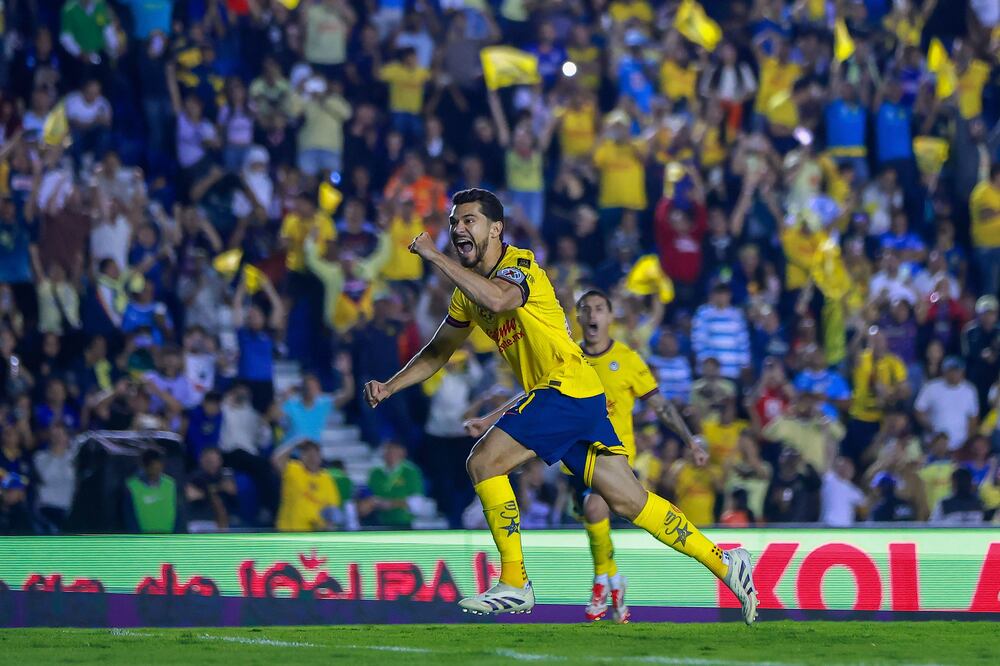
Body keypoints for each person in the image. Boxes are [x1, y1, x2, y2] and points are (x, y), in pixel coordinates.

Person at [364, 189, 758, 623]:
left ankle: (515, 582)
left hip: (563, 388)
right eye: (455, 221)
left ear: (495, 229)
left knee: (483, 463)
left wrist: (436, 258)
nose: (459, 228)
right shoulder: (466, 294)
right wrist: (390, 386)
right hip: (577, 397)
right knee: (630, 502)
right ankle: (725, 562)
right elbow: (438, 352)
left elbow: (497, 300)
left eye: (469, 220)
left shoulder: (521, 265)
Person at [467, 288, 709, 623]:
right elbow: (534, 397)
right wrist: (490, 419)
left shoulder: (626, 358)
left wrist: (690, 441)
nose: (593, 315)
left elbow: (660, 406)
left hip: (615, 456)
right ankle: (613, 580)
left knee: (598, 507)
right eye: (586, 310)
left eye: (599, 309)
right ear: (577, 319)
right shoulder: (568, 356)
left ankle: (600, 585)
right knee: (593, 518)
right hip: (572, 456)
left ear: (611, 317)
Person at [271, 438, 341, 532]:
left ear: (320, 456)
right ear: (301, 456)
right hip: (288, 533)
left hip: (313, 537)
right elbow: (276, 460)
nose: (311, 457)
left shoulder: (327, 478)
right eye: (307, 453)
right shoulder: (294, 469)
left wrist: (323, 526)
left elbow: (332, 508)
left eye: (314, 454)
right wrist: (294, 444)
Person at [359, 440, 425, 528]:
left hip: (402, 523)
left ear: (402, 453)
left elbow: (416, 502)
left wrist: (391, 504)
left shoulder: (410, 472)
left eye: (393, 451)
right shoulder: (375, 472)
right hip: (378, 521)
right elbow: (368, 495)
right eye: (387, 451)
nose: (390, 454)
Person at [123, 449, 181, 534]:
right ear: (145, 466)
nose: (157, 469)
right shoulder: (131, 486)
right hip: (143, 537)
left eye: (159, 466)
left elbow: (178, 511)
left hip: (168, 537)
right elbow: (129, 516)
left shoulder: (171, 484)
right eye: (153, 466)